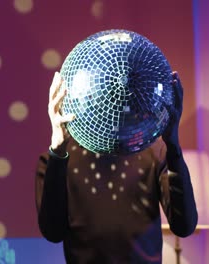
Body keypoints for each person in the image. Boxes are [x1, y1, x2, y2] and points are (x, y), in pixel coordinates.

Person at [35, 71, 197, 263]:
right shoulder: (58, 159)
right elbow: (53, 232)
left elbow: (184, 226)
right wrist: (58, 152)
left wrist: (173, 147)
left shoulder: (155, 151)